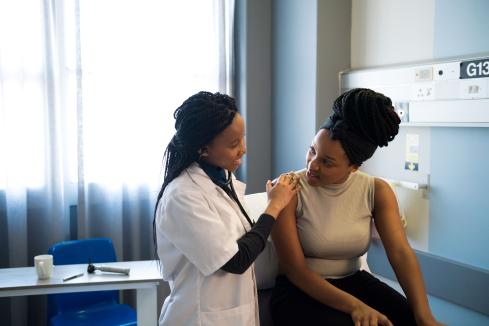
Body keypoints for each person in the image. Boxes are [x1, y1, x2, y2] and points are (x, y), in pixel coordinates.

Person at [270, 88, 444, 326]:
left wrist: (425, 316)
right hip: (299, 291)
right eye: (312, 151)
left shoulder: (376, 191)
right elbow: (295, 270)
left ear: (354, 167)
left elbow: (401, 254)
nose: (312, 165)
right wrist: (356, 306)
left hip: (355, 282)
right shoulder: (288, 188)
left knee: (411, 320)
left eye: (327, 162)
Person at [153, 91, 300, 326]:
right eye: (234, 144)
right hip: (198, 317)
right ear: (203, 149)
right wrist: (275, 205)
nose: (243, 149)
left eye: (243, 138)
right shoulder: (182, 196)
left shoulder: (222, 180)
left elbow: (246, 239)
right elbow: (236, 260)